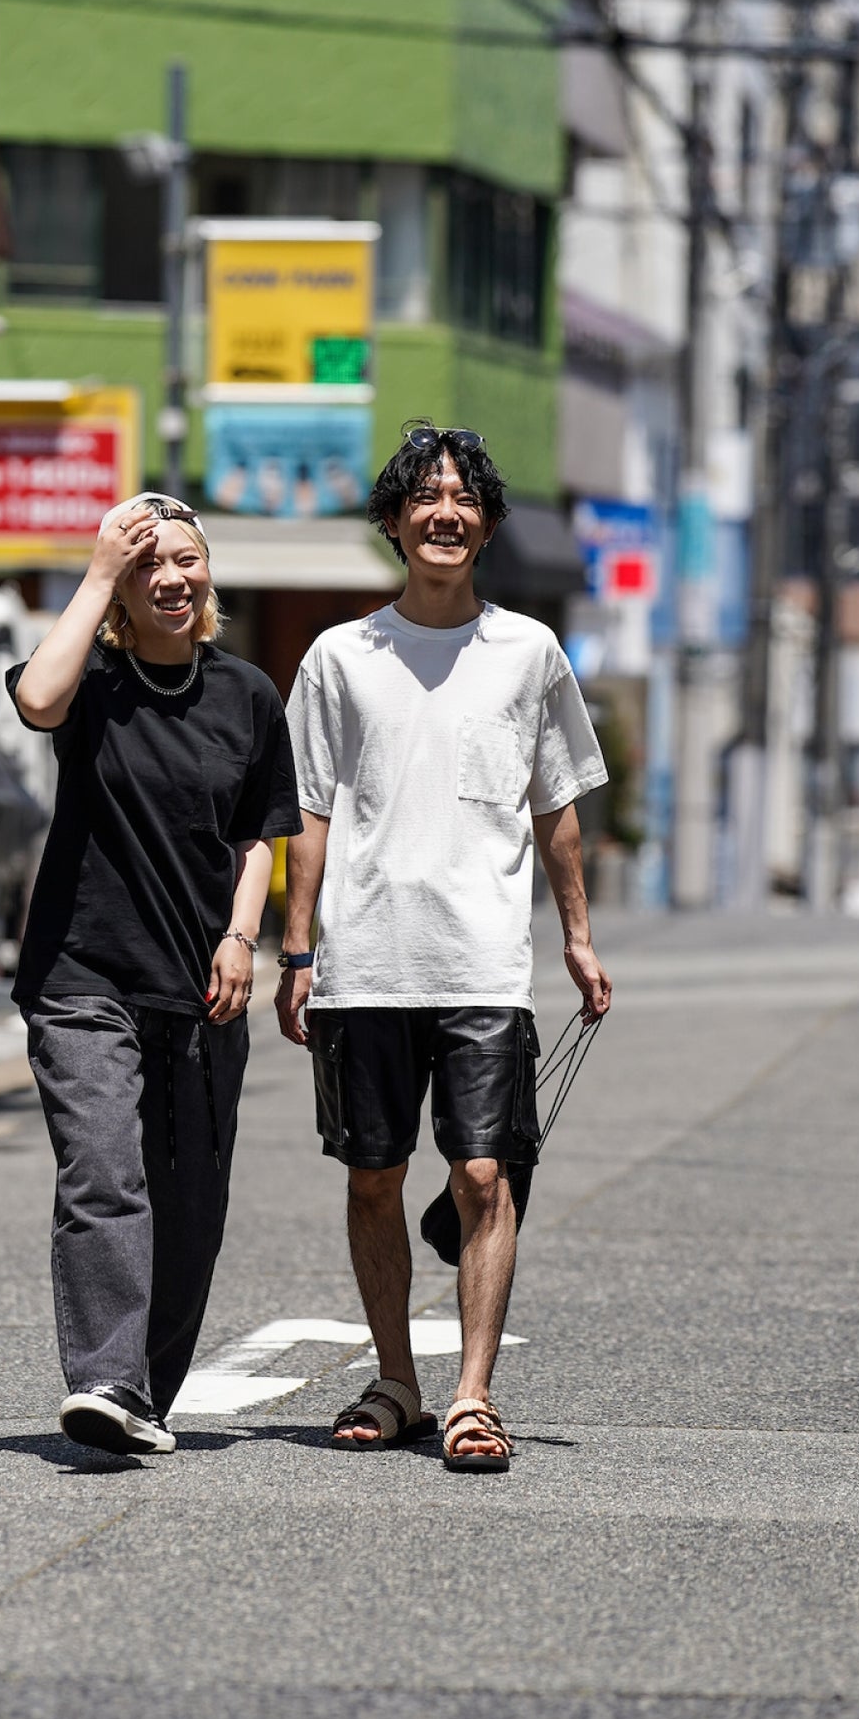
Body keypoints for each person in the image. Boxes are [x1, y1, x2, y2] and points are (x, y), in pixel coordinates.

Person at [275, 423, 613, 1473]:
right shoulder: (339, 656)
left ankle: (470, 1394)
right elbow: (311, 811)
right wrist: (296, 947)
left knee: (480, 1171)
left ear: (489, 525)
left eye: (463, 496)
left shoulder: (528, 653)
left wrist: (578, 937)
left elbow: (555, 802)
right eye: (423, 496)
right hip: (364, 956)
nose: (444, 511)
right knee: (374, 1175)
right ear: (392, 522)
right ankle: (396, 1382)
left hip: (479, 960)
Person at [10, 493, 301, 1458]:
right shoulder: (89, 680)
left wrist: (240, 936)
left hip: (201, 985)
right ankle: (103, 1375)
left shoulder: (247, 695)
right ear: (121, 591)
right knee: (103, 1170)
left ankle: (144, 1392)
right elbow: (35, 702)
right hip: (81, 971)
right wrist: (95, 573)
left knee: (190, 1205)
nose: (169, 577)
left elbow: (260, 831)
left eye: (183, 559)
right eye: (145, 565)